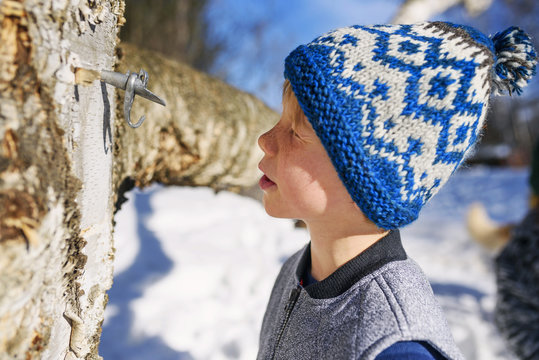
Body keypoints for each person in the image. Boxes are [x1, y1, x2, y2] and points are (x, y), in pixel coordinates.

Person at [256, 21, 537, 360]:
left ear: (367, 174)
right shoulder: (296, 273)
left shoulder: (398, 347)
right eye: (280, 121)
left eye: (297, 133)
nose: (266, 139)